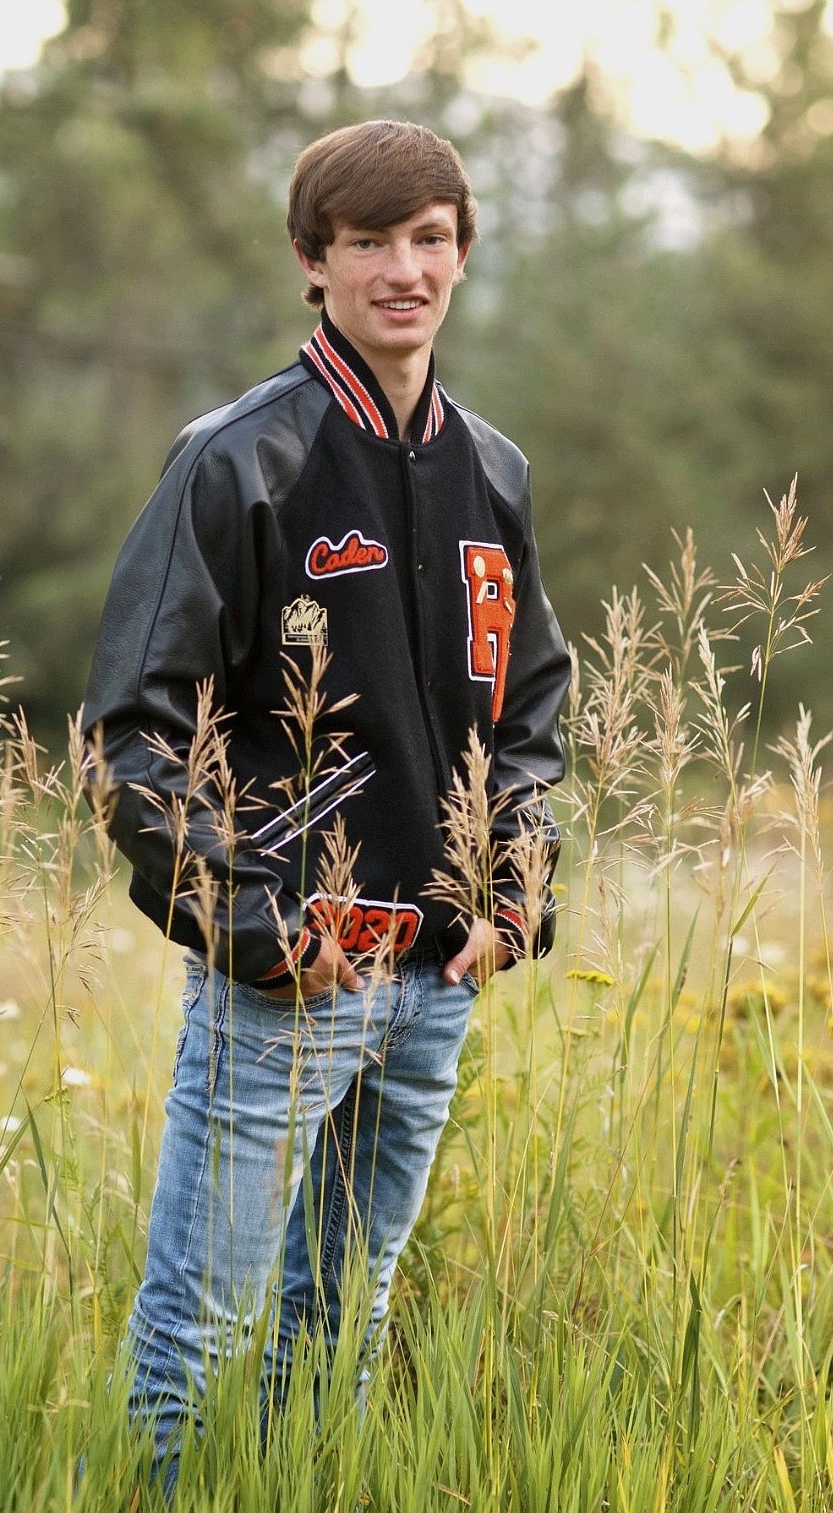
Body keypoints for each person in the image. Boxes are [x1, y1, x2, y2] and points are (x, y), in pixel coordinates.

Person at [82, 118, 570, 1488]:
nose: (402, 269)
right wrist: (250, 924)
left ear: (464, 253)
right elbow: (136, 721)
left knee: (339, 1325)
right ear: (314, 261)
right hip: (287, 986)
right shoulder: (240, 458)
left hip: (437, 979)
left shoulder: (495, 470)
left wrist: (517, 888)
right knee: (201, 1332)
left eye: (428, 239)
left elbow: (528, 714)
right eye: (369, 242)